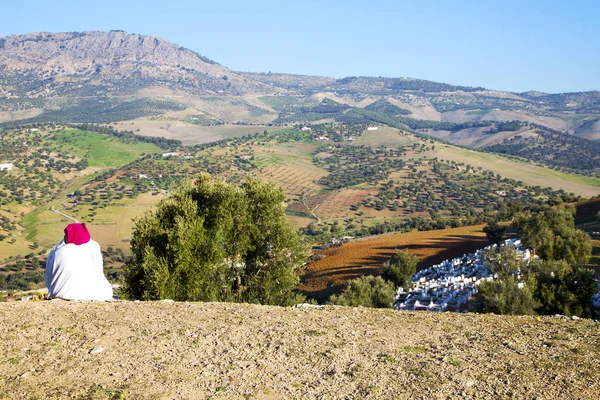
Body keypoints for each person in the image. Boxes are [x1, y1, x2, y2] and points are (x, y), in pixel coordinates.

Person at [45, 222, 113, 300]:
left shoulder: (59, 252)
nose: (64, 237)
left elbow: (49, 280)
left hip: (63, 294)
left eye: (66, 235)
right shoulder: (94, 248)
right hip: (99, 294)